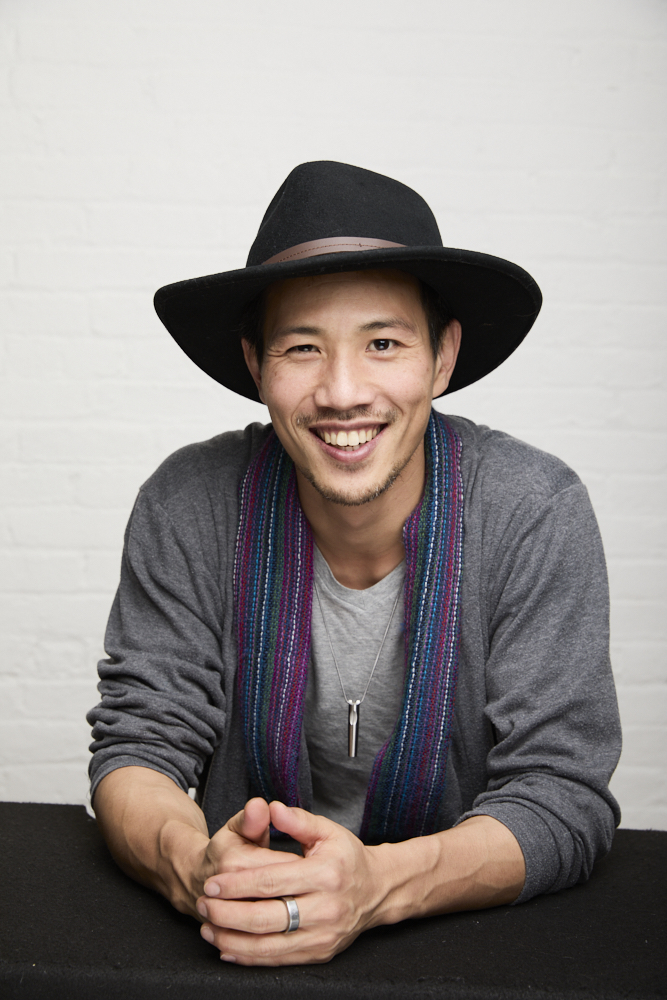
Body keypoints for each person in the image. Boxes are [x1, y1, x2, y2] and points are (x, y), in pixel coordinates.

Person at [87, 161, 621, 966]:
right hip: (235, 937)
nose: (342, 392)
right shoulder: (188, 502)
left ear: (441, 358)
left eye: (382, 343)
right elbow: (137, 746)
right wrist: (193, 866)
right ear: (255, 365)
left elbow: (562, 793)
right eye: (302, 347)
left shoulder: (531, 510)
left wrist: (377, 885)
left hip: (465, 947)